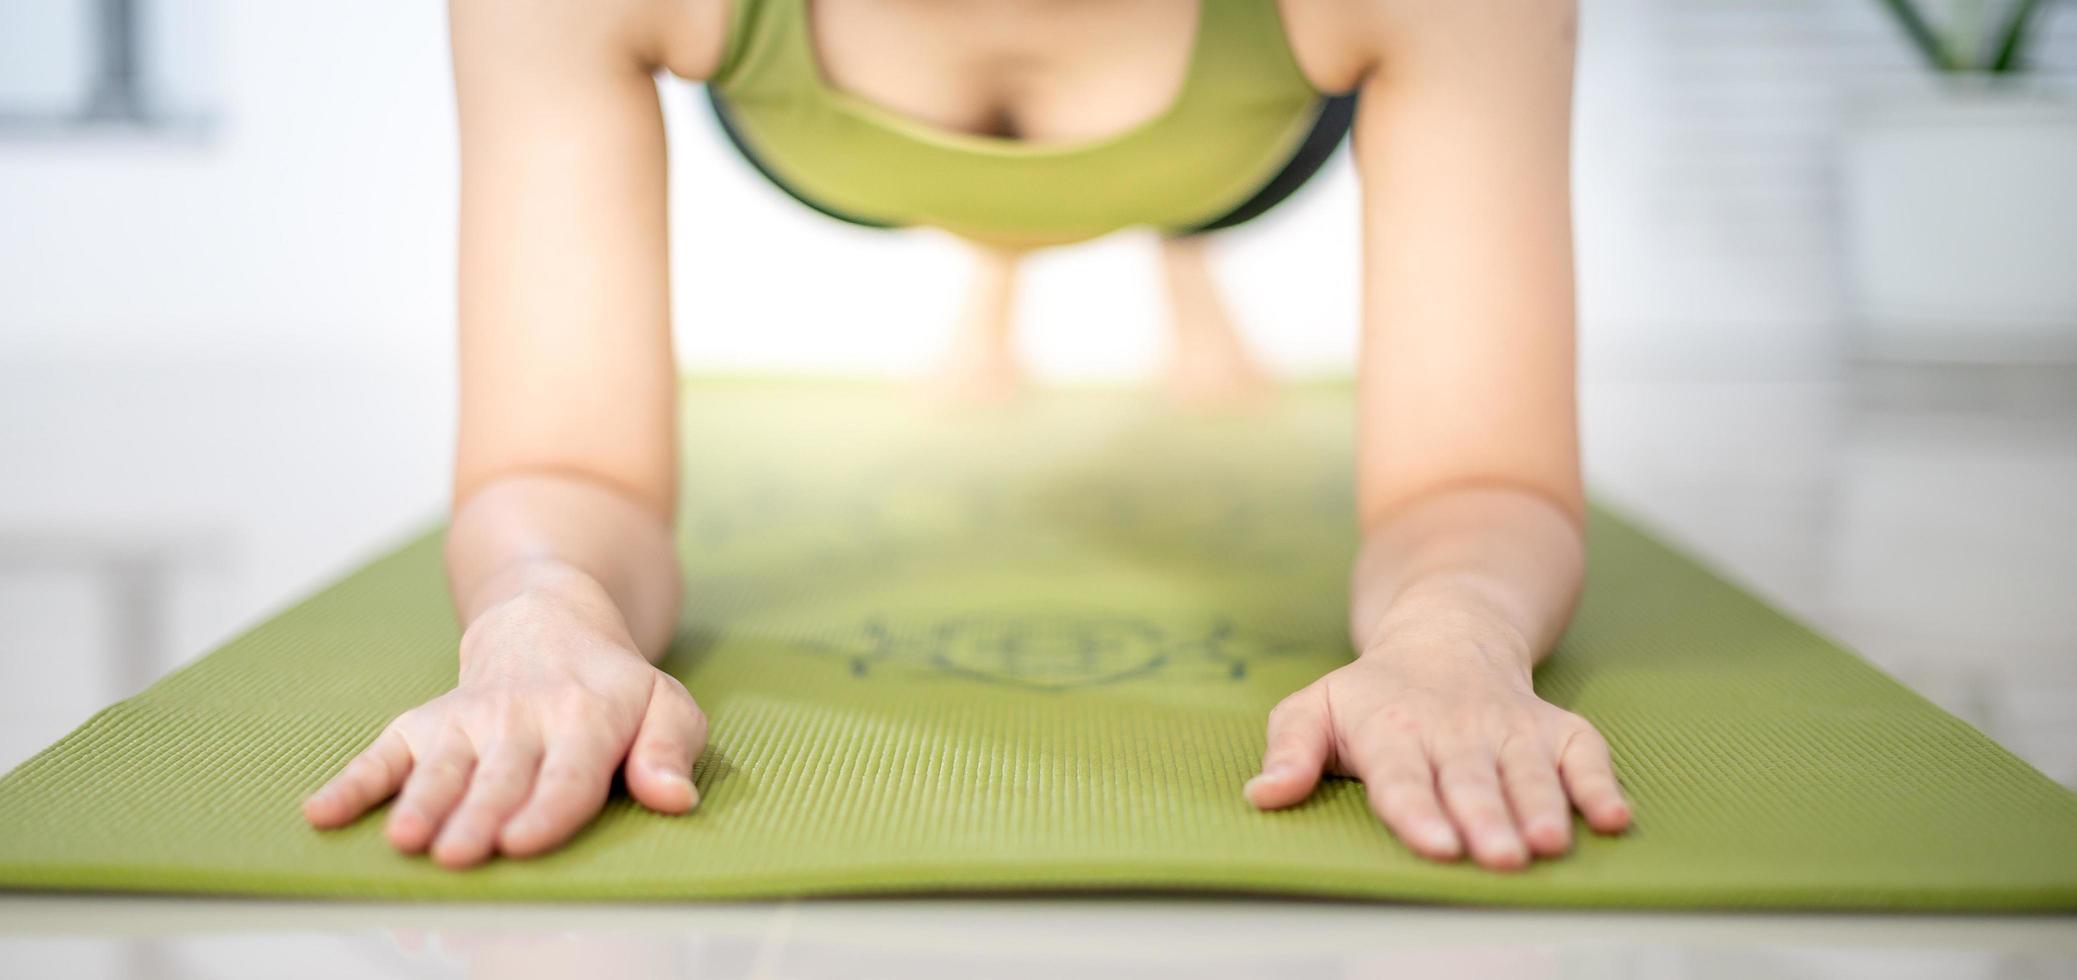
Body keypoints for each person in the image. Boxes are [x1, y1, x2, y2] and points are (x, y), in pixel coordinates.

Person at [302, 0, 1632, 873]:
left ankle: (1170, 261)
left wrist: (1450, 638)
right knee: (993, 229)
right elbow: (564, 467)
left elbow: (1480, 480)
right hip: (840, 149)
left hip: (1238, 142)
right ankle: (998, 264)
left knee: (1182, 213)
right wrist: (542, 611)